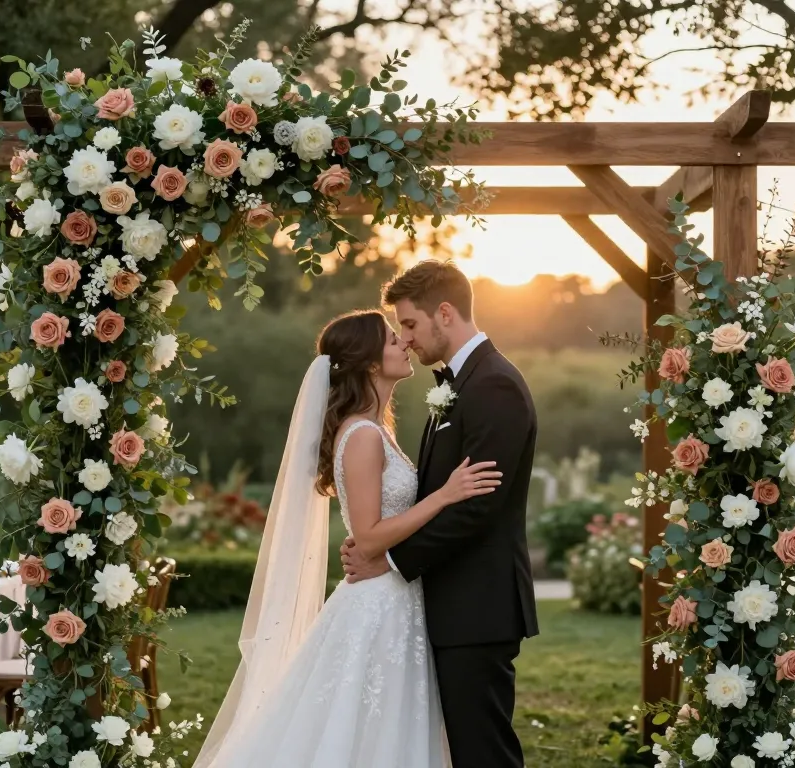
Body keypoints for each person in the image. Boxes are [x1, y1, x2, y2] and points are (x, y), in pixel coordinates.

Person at [193, 308, 502, 768]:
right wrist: (444, 496)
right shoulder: (362, 436)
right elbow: (369, 537)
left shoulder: (378, 430)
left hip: (397, 600)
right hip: (378, 608)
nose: (405, 344)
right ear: (371, 363)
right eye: (394, 340)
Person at [343, 260, 539, 768]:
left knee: (483, 753)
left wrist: (388, 560)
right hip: (449, 606)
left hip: (479, 607)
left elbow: (477, 510)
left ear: (444, 313)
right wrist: (376, 539)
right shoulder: (456, 384)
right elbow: (436, 494)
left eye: (408, 324)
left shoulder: (493, 385)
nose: (405, 339)